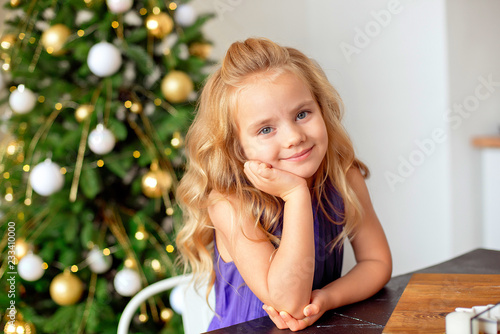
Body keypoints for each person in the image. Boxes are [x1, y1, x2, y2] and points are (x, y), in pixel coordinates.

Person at [176, 37, 392, 332]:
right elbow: (288, 302)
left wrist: (327, 299)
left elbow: (377, 262)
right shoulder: (229, 203)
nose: (293, 137)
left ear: (322, 109)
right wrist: (295, 195)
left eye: (302, 114)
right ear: (238, 148)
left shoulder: (343, 177)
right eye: (266, 129)